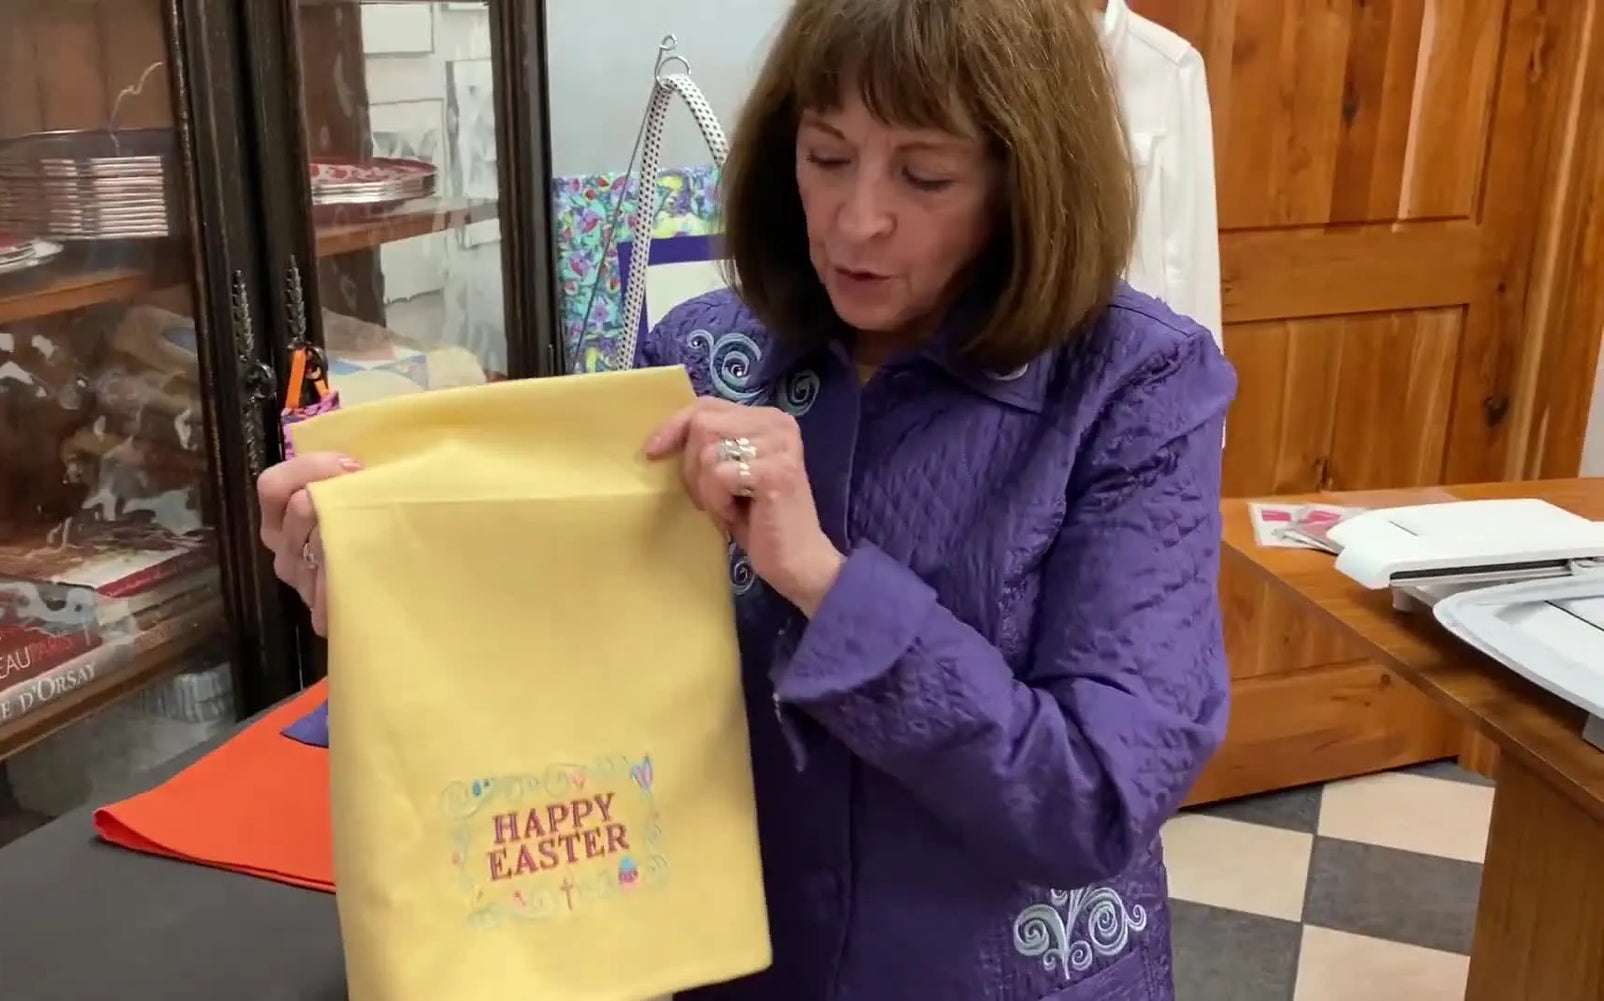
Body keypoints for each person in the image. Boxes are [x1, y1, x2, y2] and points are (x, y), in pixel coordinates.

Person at [258, 0, 1236, 996]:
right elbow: (578, 679)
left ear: (1024, 177)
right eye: (825, 156)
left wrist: (820, 578)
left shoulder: (1134, 385)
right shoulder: (700, 357)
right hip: (727, 960)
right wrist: (380, 591)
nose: (858, 219)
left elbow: (1094, 797)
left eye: (924, 174)